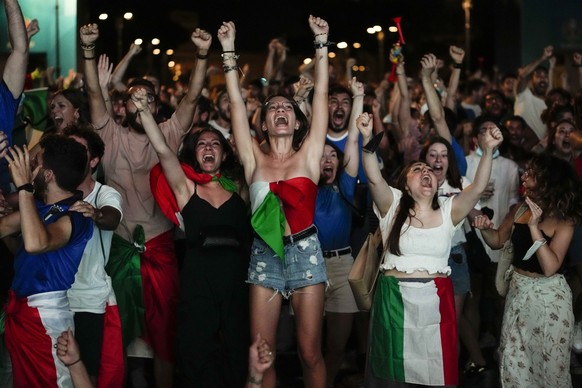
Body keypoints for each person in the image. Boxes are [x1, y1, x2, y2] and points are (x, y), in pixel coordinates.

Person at [80, 23, 210, 387]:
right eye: (133, 98)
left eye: (146, 99)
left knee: (164, 339)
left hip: (161, 249)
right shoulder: (110, 134)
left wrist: (202, 54)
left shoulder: (168, 131)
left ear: (155, 104)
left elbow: (193, 96)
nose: (139, 104)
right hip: (119, 250)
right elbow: (93, 92)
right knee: (117, 335)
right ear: (124, 105)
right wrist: (88, 51)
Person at [217, 16, 330, 387]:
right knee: (261, 351)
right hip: (265, 254)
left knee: (309, 351)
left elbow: (323, 96)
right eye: (272, 109)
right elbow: (235, 102)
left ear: (297, 122)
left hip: (306, 253)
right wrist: (229, 49)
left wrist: (321, 44)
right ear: (263, 123)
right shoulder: (253, 159)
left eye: (286, 108)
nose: (280, 111)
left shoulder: (310, 156)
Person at [357, 110, 502, 386]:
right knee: (392, 374)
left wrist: (488, 151)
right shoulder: (393, 205)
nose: (426, 171)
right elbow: (374, 178)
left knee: (433, 373)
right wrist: (367, 141)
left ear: (437, 184)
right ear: (405, 184)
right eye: (417, 169)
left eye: (429, 171)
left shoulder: (449, 211)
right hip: (394, 303)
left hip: (435, 304)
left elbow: (478, 186)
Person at [138, 83, 251, 386]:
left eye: (215, 144)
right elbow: (162, 148)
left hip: (236, 280)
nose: (209, 148)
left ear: (225, 153)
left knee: (238, 349)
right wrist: (143, 112)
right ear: (194, 154)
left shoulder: (241, 187)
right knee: (195, 349)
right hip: (198, 279)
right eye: (201, 144)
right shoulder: (187, 189)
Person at [473, 154, 582, 387]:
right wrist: (483, 229)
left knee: (550, 368)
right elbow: (497, 240)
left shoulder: (565, 219)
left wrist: (534, 227)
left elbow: (551, 266)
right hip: (519, 293)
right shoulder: (519, 208)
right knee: (513, 361)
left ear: (548, 181)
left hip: (549, 298)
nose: (524, 176)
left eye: (531, 173)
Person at [0, 136, 93, 387]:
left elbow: (36, 243)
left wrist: (24, 189)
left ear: (48, 174)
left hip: (46, 319)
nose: (30, 166)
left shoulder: (78, 216)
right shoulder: (39, 207)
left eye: (35, 162)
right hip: (20, 311)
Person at [419, 137, 488, 377]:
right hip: (426, 259)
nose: (438, 160)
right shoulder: (418, 183)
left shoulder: (461, 182)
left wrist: (483, 220)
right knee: (433, 320)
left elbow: (473, 211)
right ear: (424, 160)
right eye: (432, 155)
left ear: (450, 161)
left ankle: (450, 375)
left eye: (443, 155)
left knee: (451, 320)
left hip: (454, 256)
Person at [63, 125, 124, 387]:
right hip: (54, 299)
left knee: (88, 375)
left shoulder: (104, 193)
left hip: (88, 300)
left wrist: (95, 213)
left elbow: (112, 218)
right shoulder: (51, 190)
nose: (71, 155)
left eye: (80, 150)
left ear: (95, 160)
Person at [314, 77, 362, 385]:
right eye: (323, 155)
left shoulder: (345, 184)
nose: (329, 159)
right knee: (310, 346)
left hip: (343, 266)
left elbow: (354, 138)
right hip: (312, 265)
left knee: (336, 346)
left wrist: (358, 98)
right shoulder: (305, 188)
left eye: (334, 155)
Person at [514, 46, 554, 140]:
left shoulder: (550, 103)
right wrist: (543, 58)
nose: (542, 78)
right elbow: (522, 76)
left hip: (540, 151)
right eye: (538, 75)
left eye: (545, 76)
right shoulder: (523, 95)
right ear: (531, 80)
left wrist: (552, 67)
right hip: (520, 148)